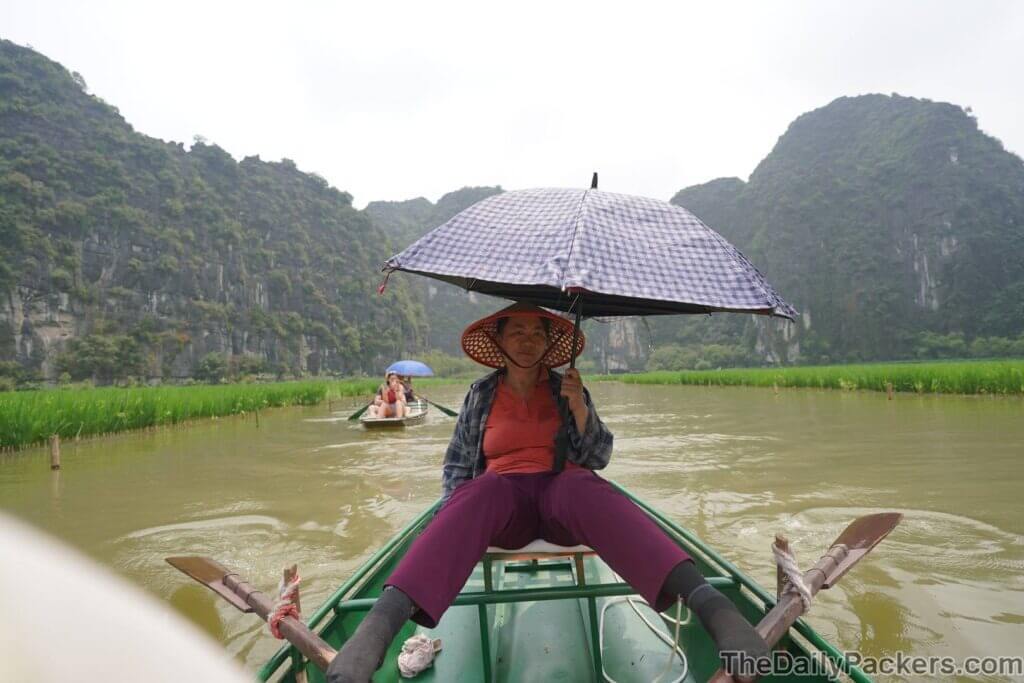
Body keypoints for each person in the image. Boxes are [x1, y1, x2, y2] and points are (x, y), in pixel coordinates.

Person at [328, 303, 768, 682]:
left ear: (547, 344)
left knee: (586, 484)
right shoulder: (481, 394)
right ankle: (379, 626)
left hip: (561, 496)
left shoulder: (567, 386)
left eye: (537, 332)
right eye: (516, 331)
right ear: (499, 341)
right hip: (504, 505)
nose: (527, 340)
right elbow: (458, 468)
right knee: (479, 492)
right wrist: (453, 522)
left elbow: (598, 455)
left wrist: (579, 409)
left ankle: (712, 606)